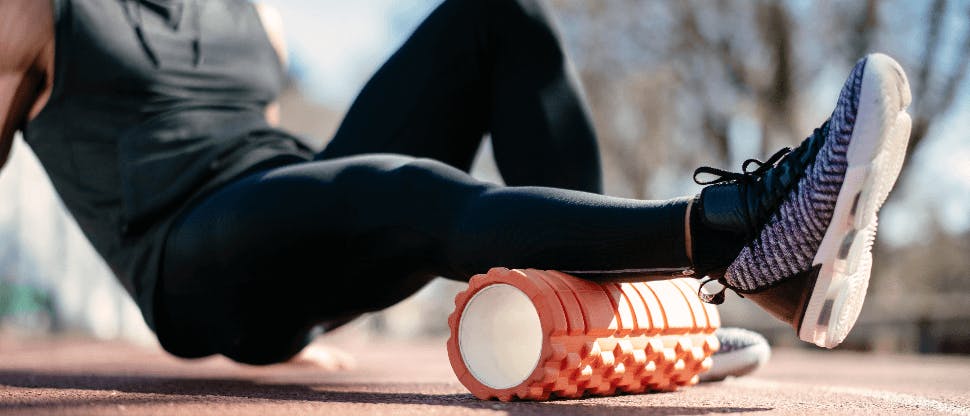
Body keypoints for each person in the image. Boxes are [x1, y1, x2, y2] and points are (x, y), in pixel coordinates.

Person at [0, 0, 910, 366]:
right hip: (187, 256)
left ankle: (603, 324)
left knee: (492, 14)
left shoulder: (251, 14)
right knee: (401, 188)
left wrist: (300, 299)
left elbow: (268, 153)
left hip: (278, 215)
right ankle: (739, 235)